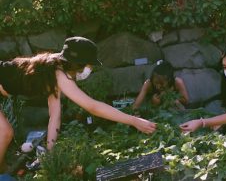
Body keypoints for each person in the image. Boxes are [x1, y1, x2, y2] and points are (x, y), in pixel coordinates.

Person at [0, 36, 156, 173]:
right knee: (5, 133)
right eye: (89, 65)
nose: (90, 68)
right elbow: (92, 107)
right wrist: (134, 120)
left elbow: (55, 115)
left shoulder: (53, 68)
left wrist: (49, 151)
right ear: (77, 63)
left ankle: (3, 170)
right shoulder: (58, 74)